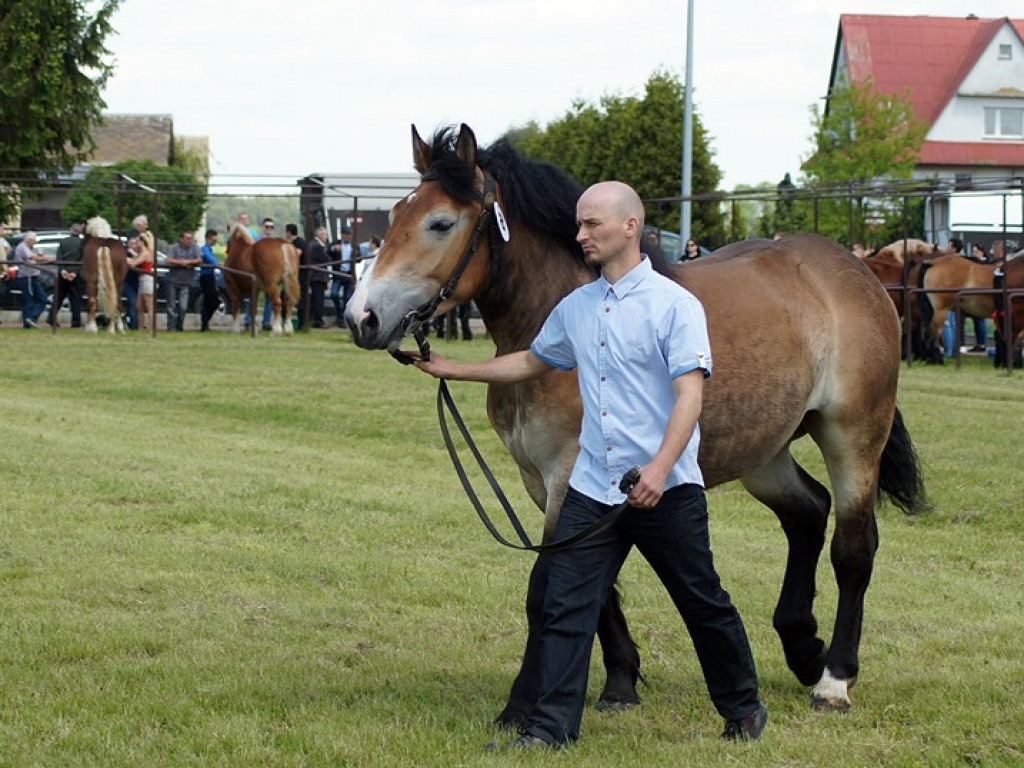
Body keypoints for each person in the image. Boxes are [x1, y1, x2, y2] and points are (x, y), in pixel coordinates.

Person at [413, 181, 766, 750]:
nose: (580, 235)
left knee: (703, 604)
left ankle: (743, 706)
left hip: (664, 490)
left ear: (630, 227)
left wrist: (660, 467)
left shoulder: (676, 307)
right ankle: (550, 731)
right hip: (592, 490)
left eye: (592, 224)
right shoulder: (576, 307)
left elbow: (690, 397)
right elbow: (531, 360)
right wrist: (456, 370)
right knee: (564, 606)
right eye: (578, 225)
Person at [48, 223, 85, 328]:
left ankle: (51, 318)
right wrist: (74, 272)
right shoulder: (82, 243)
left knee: (58, 297)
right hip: (76, 275)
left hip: (63, 274)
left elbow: (59, 257)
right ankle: (76, 321)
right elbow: (82, 259)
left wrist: (63, 270)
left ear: (71, 230)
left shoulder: (63, 242)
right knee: (76, 298)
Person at [11, 232, 49, 328]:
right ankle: (30, 318)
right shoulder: (22, 247)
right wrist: (46, 259)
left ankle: (30, 319)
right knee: (29, 300)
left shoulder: (27, 248)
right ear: (30, 240)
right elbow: (31, 257)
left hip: (32, 277)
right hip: (26, 277)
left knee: (42, 299)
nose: (35, 242)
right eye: (34, 240)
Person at [165, 230, 201, 331]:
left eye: (191, 238)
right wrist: (181, 263)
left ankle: (179, 326)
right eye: (187, 238)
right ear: (181, 239)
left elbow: (199, 259)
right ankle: (171, 327)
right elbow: (168, 260)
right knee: (171, 306)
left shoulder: (194, 247)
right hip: (172, 281)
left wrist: (189, 262)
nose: (190, 241)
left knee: (183, 307)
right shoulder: (174, 248)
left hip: (186, 282)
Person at [126, 233, 155, 330]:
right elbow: (137, 258)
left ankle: (151, 327)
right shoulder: (142, 253)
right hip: (142, 279)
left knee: (148, 305)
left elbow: (134, 263)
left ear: (142, 242)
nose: (136, 243)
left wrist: (127, 260)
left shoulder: (146, 253)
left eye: (138, 241)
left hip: (147, 279)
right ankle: (140, 327)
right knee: (139, 305)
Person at [328, 227, 355, 326]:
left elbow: (359, 257)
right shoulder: (336, 243)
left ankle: (343, 319)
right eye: (347, 235)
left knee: (347, 298)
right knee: (334, 294)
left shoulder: (354, 245)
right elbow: (327, 251)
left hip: (349, 274)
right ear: (343, 235)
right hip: (338, 273)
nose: (349, 237)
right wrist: (333, 248)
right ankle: (339, 313)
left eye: (350, 235)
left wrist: (355, 253)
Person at [285, 224, 310, 329]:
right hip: (296, 274)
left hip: (301, 274)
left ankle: (302, 323)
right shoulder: (295, 242)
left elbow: (297, 254)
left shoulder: (299, 243)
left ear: (289, 232)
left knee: (300, 298)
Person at [306, 226, 330, 328]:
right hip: (317, 276)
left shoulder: (314, 245)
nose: (326, 237)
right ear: (320, 235)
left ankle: (313, 318)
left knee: (315, 299)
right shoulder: (316, 246)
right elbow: (326, 259)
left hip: (316, 276)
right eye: (325, 234)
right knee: (318, 299)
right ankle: (317, 320)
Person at [198, 229, 221, 331]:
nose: (215, 242)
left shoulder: (210, 250)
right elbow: (212, 261)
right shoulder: (204, 249)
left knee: (210, 301)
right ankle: (205, 322)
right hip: (205, 277)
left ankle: (205, 322)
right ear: (208, 238)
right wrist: (218, 263)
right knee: (212, 300)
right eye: (214, 239)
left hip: (211, 276)